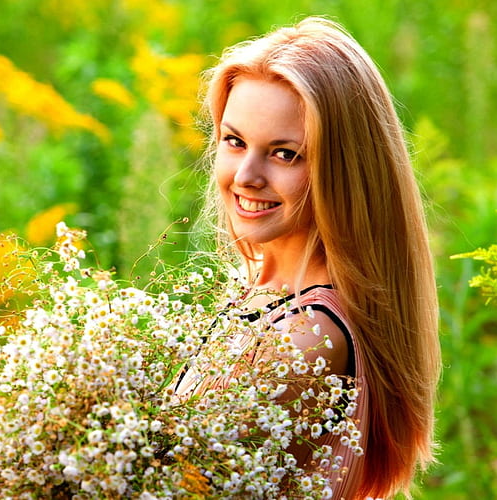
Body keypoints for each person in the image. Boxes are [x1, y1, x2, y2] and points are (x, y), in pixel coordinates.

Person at [178, 16, 441, 499]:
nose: (246, 176)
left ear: (344, 172)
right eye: (235, 142)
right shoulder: (264, 292)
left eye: (285, 154)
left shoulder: (309, 335)